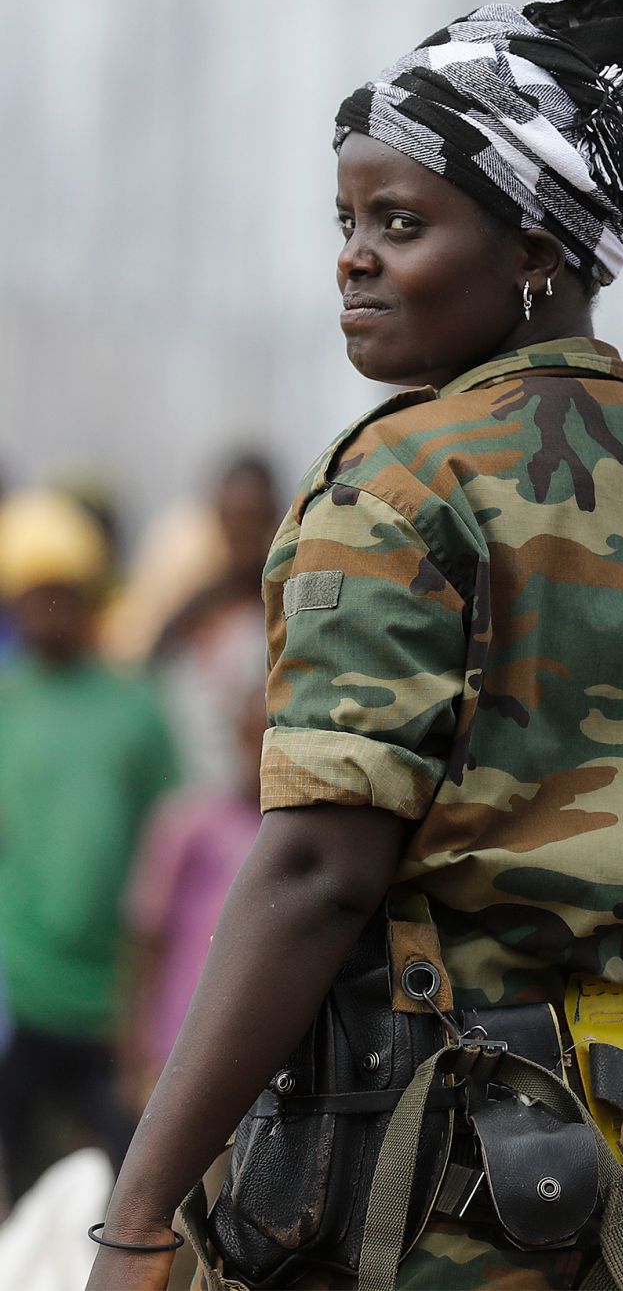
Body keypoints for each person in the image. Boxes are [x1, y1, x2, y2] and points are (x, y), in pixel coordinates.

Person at [88, 0, 623, 1291]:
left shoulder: (399, 489)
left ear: (536, 251)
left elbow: (318, 873)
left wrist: (139, 1215)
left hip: (438, 1223)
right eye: (345, 218)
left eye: (401, 220)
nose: (353, 253)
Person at [0, 491, 180, 1203]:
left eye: (63, 596)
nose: (50, 613)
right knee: (25, 1171)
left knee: (124, 1179)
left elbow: (170, 840)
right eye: (34, 597)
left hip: (114, 993)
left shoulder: (134, 706)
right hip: (25, 983)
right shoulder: (8, 704)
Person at [121, 623, 265, 1113]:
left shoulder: (297, 837)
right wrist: (134, 1052)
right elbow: (146, 940)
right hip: (177, 1053)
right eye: (257, 730)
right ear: (239, 735)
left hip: (258, 1062)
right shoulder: (189, 824)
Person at [147, 454, 280, 795]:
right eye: (232, 518)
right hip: (201, 799)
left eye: (253, 518)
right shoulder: (197, 610)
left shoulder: (286, 604)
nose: (242, 531)